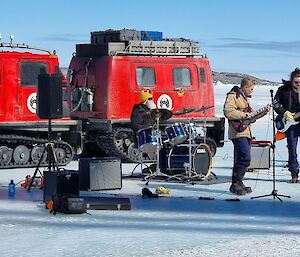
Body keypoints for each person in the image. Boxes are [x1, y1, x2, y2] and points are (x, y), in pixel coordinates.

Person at [223, 77, 270, 195]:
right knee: (244, 156)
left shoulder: (246, 99)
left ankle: (238, 183)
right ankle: (235, 183)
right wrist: (244, 115)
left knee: (242, 158)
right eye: (251, 89)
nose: (252, 91)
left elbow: (251, 117)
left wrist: (264, 111)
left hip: (246, 132)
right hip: (238, 132)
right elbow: (228, 111)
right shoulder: (233, 96)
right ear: (245, 87)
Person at [273, 68, 300, 183]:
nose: (298, 85)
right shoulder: (283, 90)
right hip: (290, 124)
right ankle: (294, 172)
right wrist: (284, 112)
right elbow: (275, 103)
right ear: (291, 81)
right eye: (296, 82)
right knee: (292, 148)